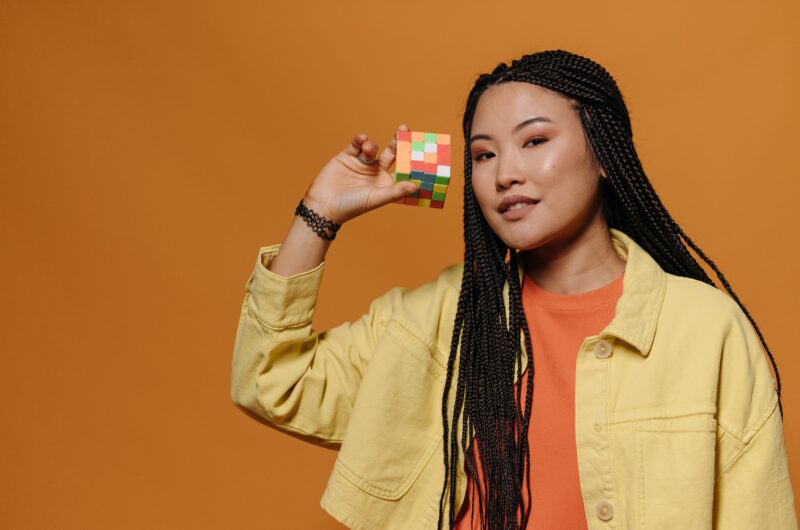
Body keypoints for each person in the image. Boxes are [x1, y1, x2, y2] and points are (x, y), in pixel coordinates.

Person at [230, 49, 798, 529]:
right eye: (483, 154)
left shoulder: (705, 330)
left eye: (534, 141)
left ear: (602, 152)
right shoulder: (440, 319)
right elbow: (270, 380)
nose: (505, 173)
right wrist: (320, 212)